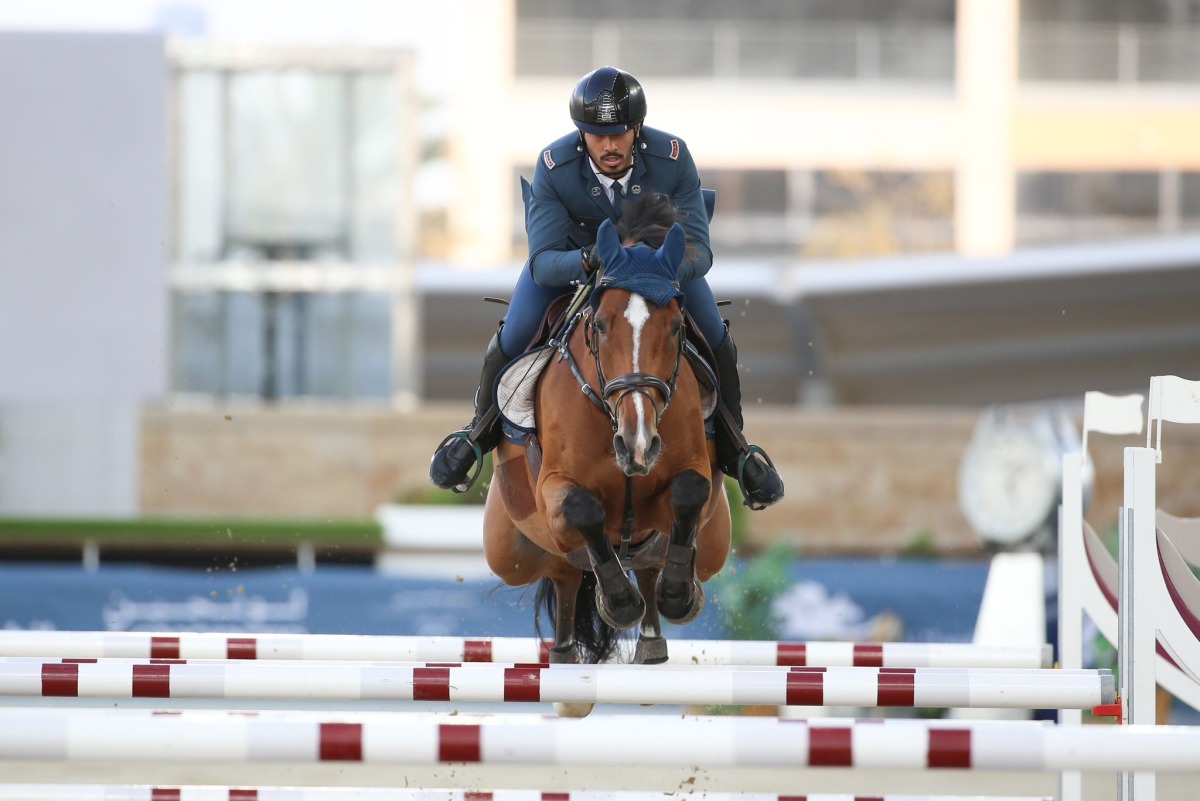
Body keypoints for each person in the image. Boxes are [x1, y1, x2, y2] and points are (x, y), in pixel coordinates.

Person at [429, 66, 784, 510]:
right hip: (576, 264)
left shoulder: (673, 157)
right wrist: (591, 260)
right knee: (514, 333)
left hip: (658, 270)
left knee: (716, 336)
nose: (610, 146)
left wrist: (655, 266)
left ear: (637, 128)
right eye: (597, 136)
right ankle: (477, 433)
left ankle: (735, 447)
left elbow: (700, 252)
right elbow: (543, 262)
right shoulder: (555, 165)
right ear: (582, 134)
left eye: (618, 134)